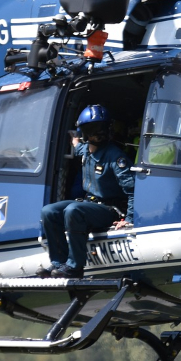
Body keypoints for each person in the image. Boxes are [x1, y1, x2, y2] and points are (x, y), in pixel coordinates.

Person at [37, 104, 135, 278]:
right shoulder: (86, 151)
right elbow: (78, 147)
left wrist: (128, 219)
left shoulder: (115, 157)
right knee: (49, 211)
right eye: (91, 129)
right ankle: (58, 263)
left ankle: (75, 267)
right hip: (89, 204)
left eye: (101, 128)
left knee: (73, 210)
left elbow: (132, 190)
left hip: (110, 209)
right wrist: (73, 140)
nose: (97, 133)